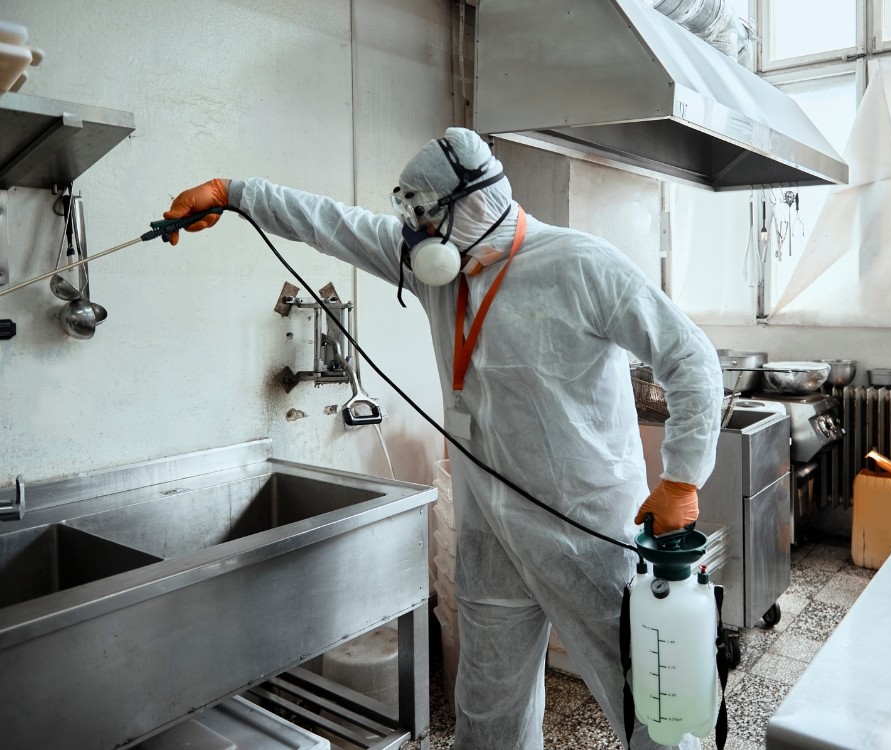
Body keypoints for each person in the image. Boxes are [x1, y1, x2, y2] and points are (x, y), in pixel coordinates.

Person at [164, 127, 723, 750]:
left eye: (427, 214)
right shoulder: (439, 271)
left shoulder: (580, 265)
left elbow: (691, 358)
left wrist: (681, 479)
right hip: (490, 532)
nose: (415, 232)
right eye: (411, 214)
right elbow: (333, 222)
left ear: (474, 204)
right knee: (489, 710)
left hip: (585, 531)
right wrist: (234, 193)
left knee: (650, 699)